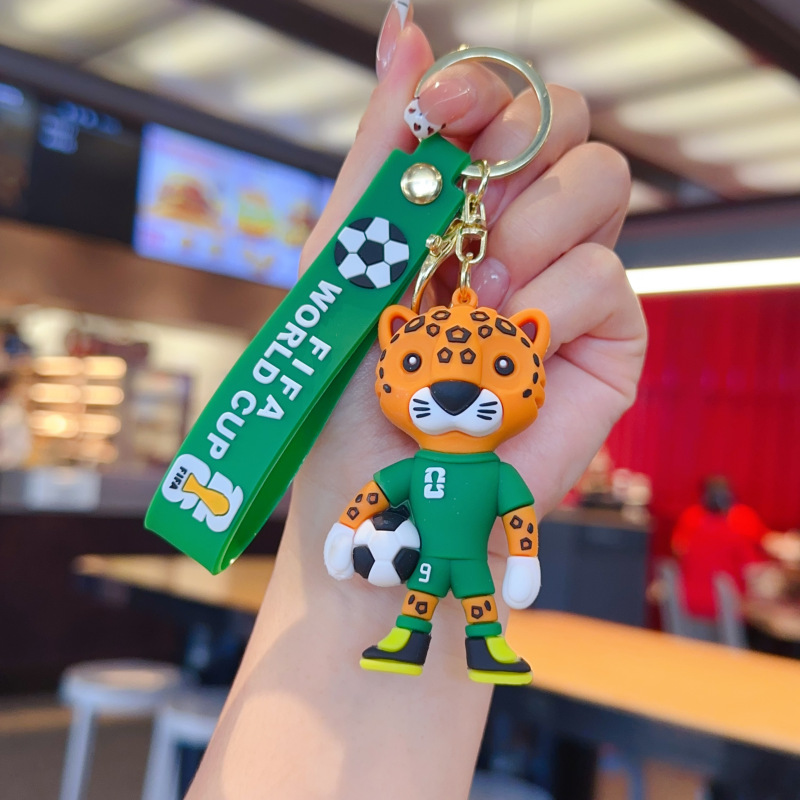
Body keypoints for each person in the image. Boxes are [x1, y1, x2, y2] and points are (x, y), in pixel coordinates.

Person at [186, 3, 646, 798]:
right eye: (432, 368)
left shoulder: (496, 470)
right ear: (396, 334)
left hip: (463, 559)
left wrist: (519, 558)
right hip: (423, 557)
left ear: (528, 345)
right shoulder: (422, 450)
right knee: (425, 598)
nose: (459, 390)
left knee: (468, 601)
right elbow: (373, 494)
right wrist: (340, 545)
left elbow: (513, 511)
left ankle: (473, 641)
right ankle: (406, 636)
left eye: (485, 370)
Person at [671, 476, 768, 619]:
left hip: (685, 605)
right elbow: (755, 571)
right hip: (725, 610)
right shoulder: (736, 535)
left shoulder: (692, 534)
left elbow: (678, 550)